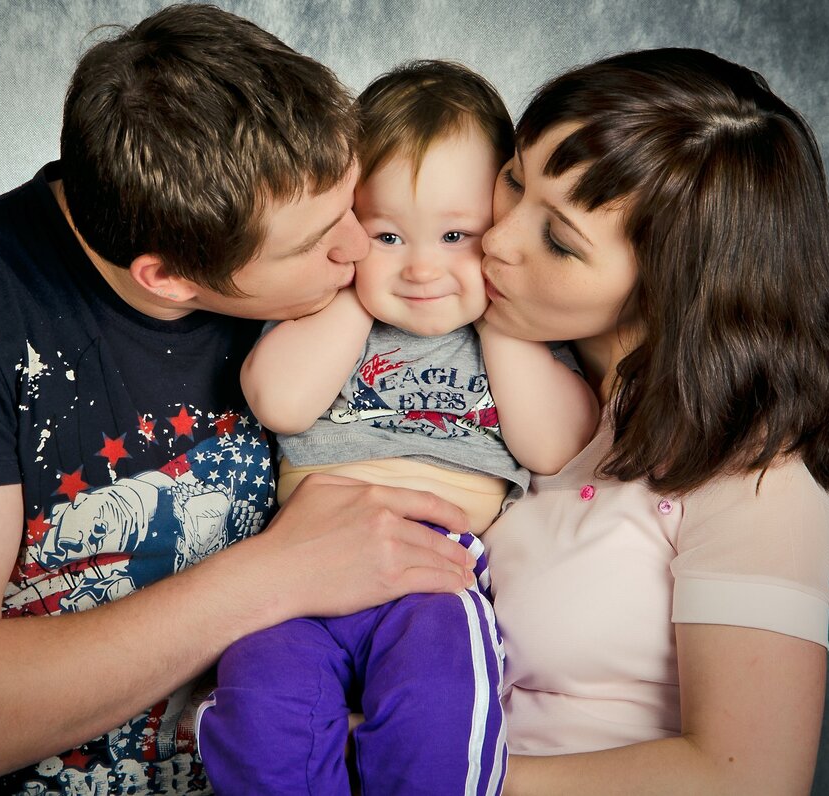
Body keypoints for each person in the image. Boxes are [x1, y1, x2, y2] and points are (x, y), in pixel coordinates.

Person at [0, 6, 477, 794]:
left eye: (351, 204)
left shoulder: (363, 267)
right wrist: (275, 574)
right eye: (314, 242)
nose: (360, 248)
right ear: (169, 278)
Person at [478, 48, 829, 793]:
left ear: (673, 287)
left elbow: (751, 778)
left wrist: (431, 772)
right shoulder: (484, 354)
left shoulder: (755, 469)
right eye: (513, 177)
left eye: (559, 241)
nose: (497, 238)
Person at [195, 61, 597, 795]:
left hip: (433, 577)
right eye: (387, 235)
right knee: (259, 706)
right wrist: (356, 293)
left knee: (438, 717)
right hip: (299, 574)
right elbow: (279, 402)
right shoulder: (328, 311)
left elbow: (554, 446)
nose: (420, 268)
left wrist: (498, 318)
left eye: (456, 234)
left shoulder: (514, 338)